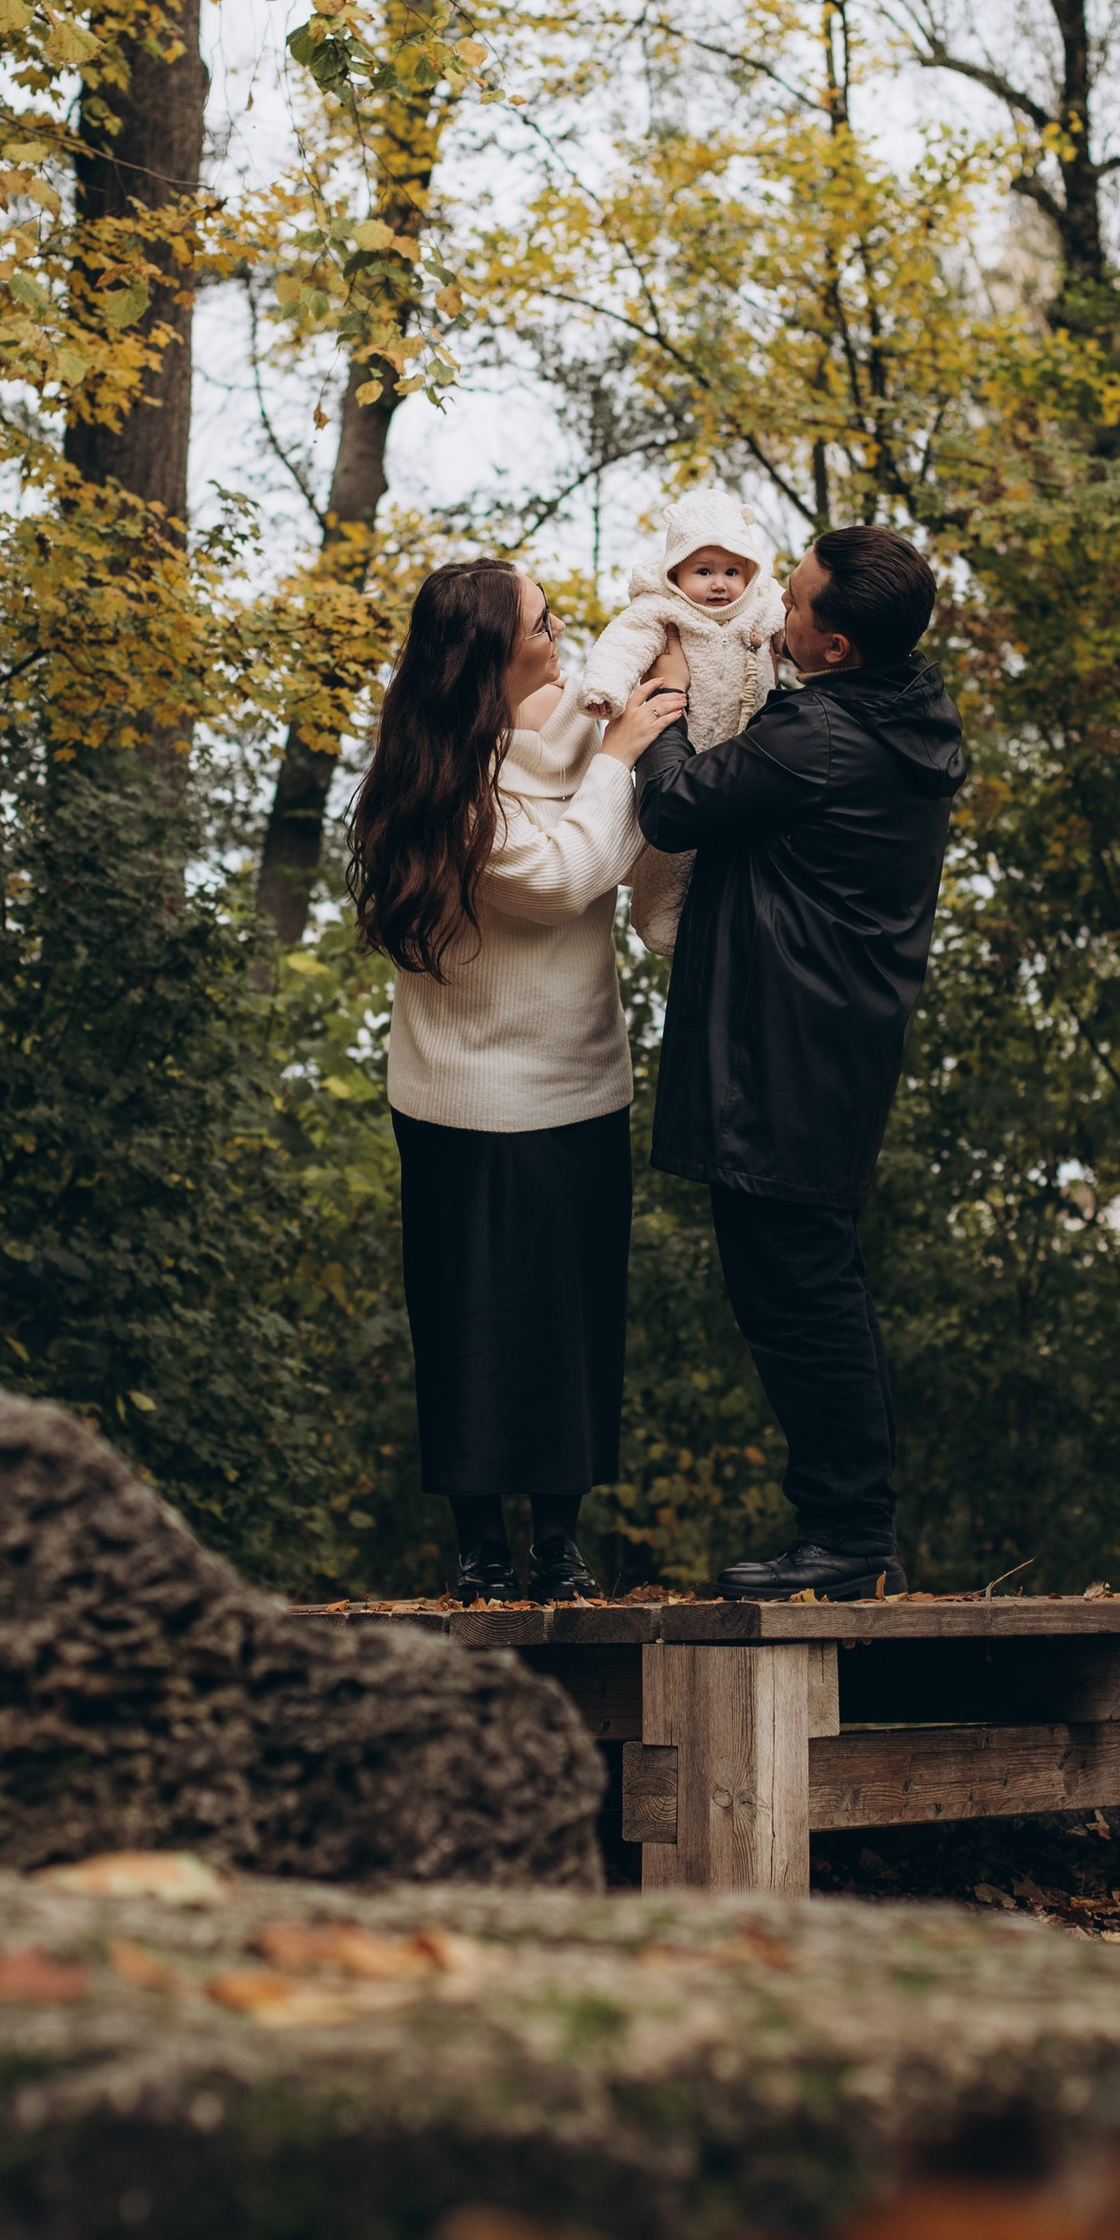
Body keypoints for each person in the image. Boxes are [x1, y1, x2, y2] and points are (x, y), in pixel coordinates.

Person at [634, 525, 966, 1600]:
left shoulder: (821, 734)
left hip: (776, 1053)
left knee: (801, 1298)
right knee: (811, 1287)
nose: (775, 604)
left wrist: (666, 709)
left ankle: (848, 1537)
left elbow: (680, 804)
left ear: (835, 650)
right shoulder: (897, 712)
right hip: (825, 1044)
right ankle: (849, 1531)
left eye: (796, 601)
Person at [349, 558, 681, 1604]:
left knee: (571, 1319)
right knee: (469, 1320)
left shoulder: (536, 748)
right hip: (461, 1099)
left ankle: (559, 1543)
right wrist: (625, 754)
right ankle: (480, 1545)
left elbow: (574, 778)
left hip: (581, 1085)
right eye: (542, 625)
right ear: (491, 656)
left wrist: (659, 690)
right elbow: (562, 876)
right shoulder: (431, 784)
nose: (558, 638)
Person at [577, 486, 787, 957]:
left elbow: (793, 630)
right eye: (704, 571)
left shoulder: (764, 605)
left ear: (750, 570)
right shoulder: (659, 609)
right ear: (674, 571)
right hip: (683, 748)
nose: (720, 584)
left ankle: (735, 923)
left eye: (733, 571)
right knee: (672, 847)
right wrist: (606, 690)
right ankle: (659, 918)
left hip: (749, 745)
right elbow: (622, 645)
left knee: (737, 843)